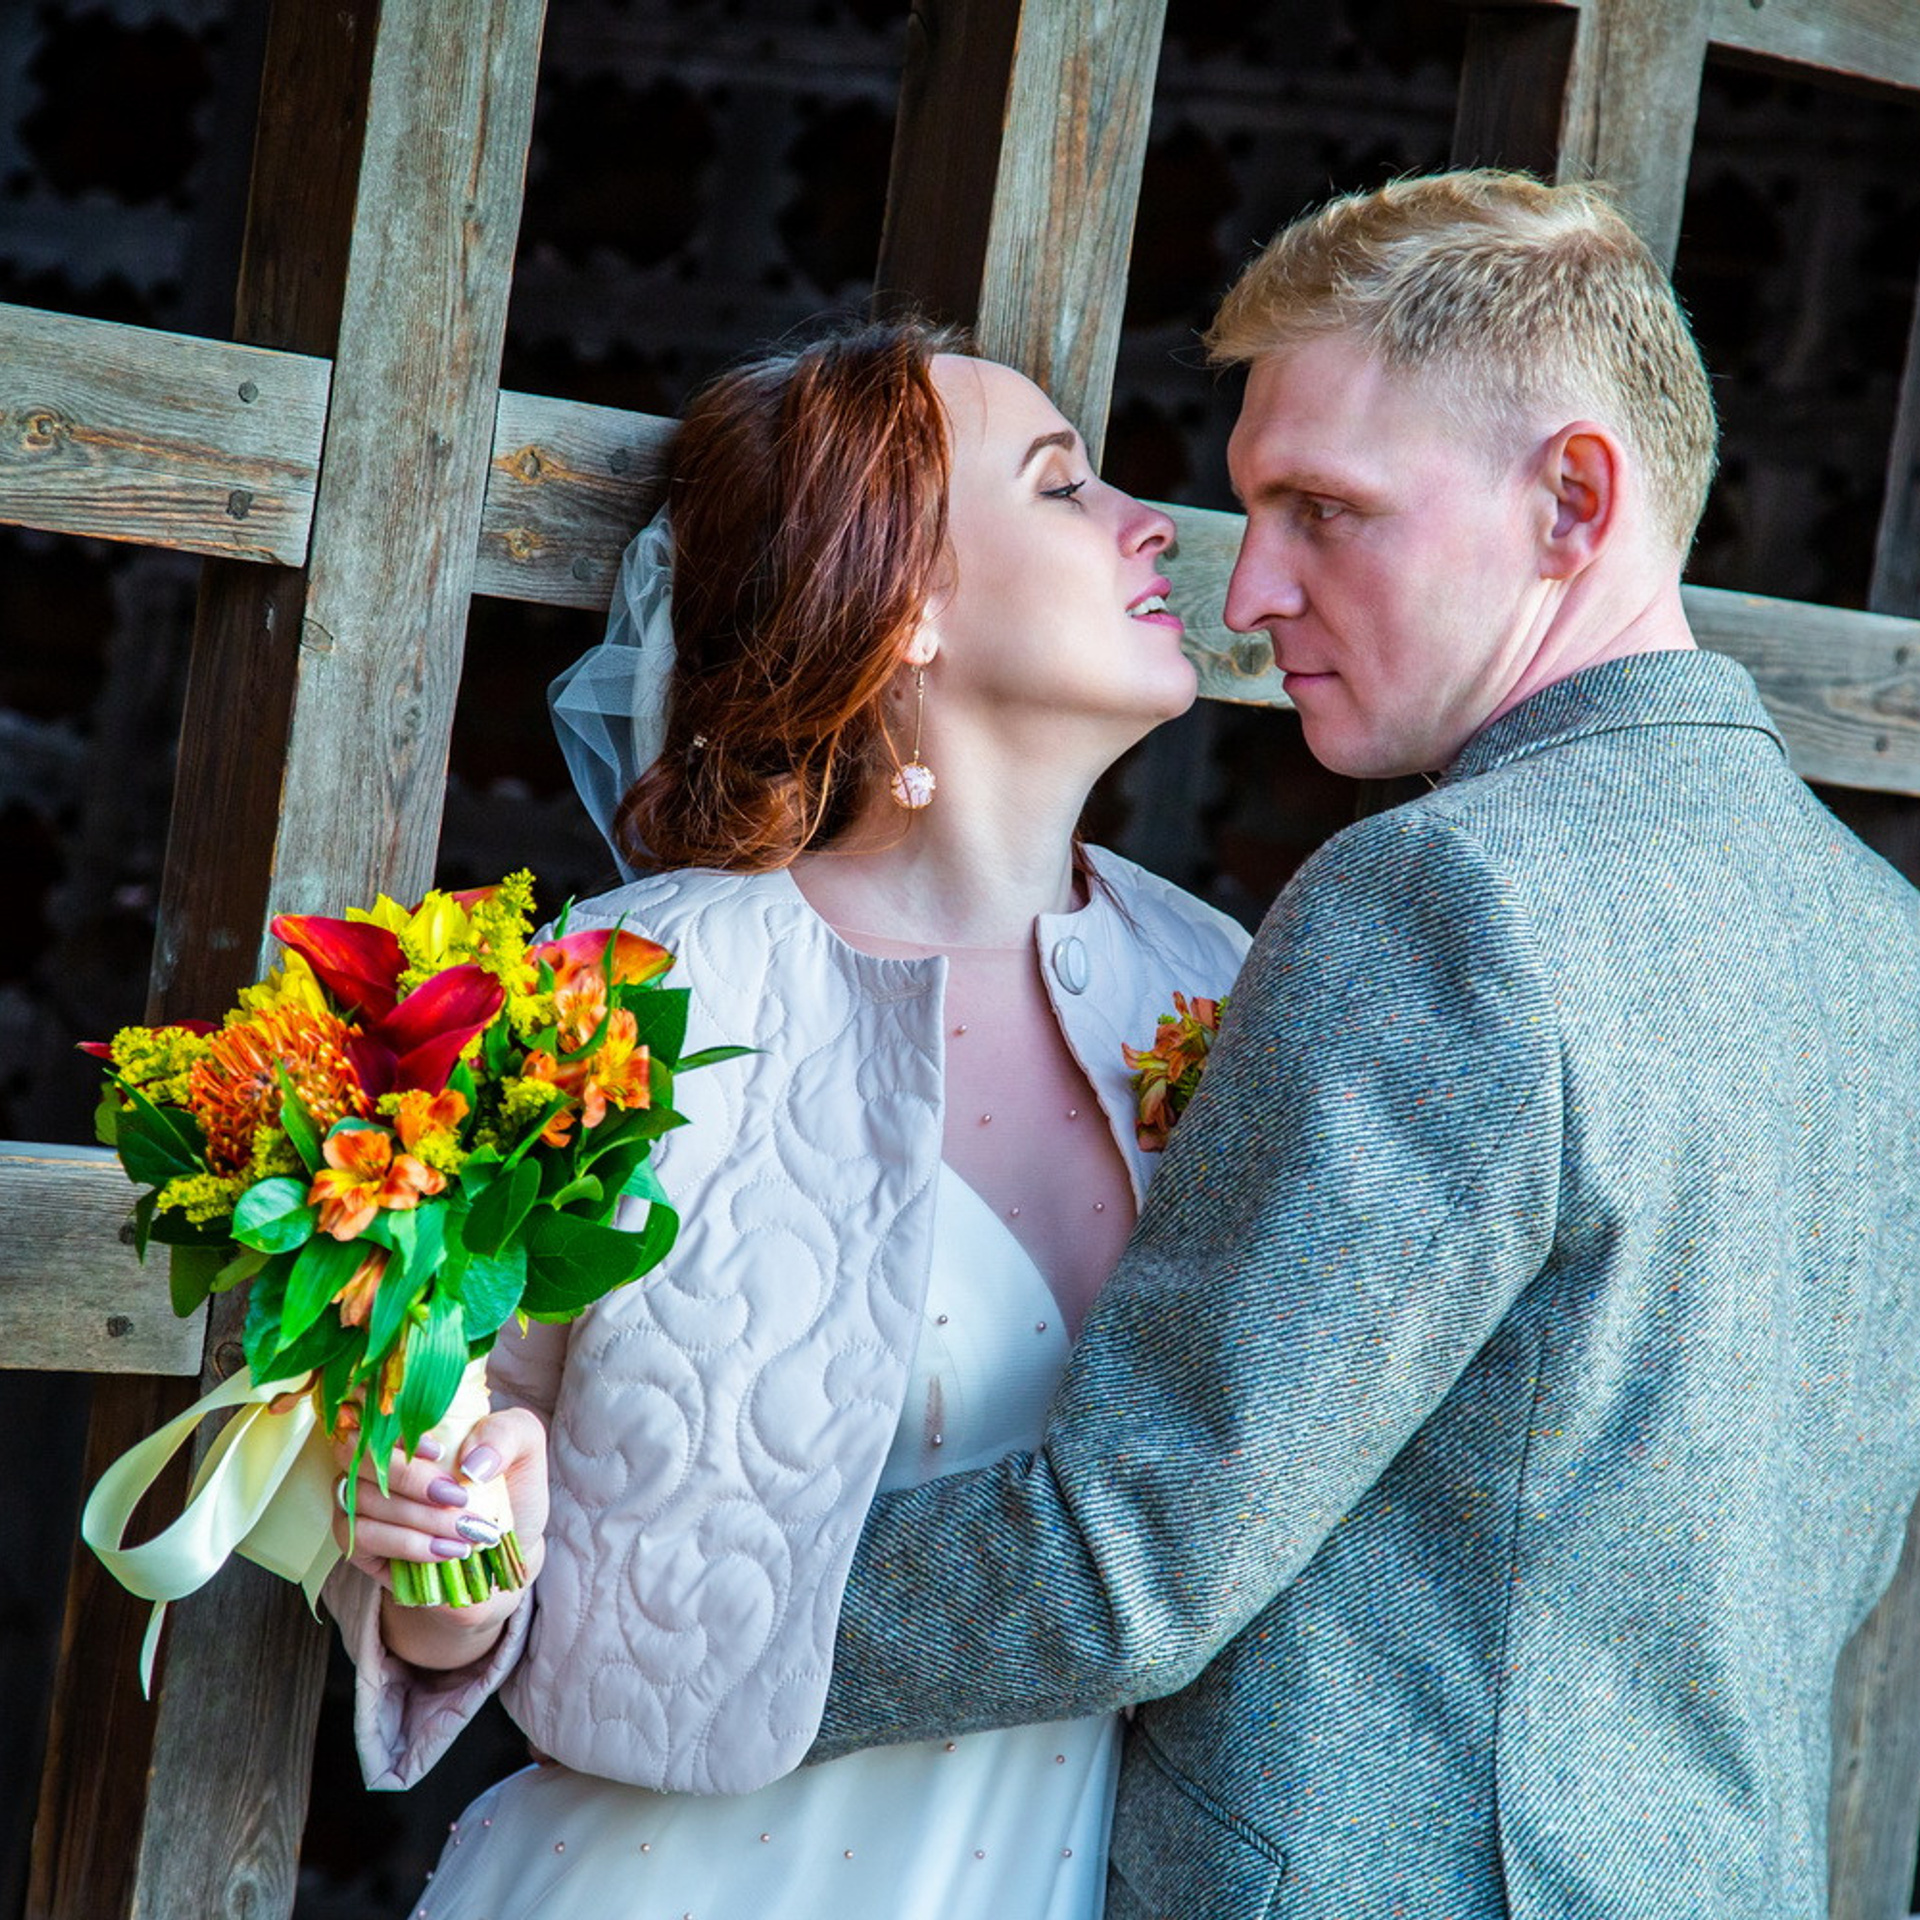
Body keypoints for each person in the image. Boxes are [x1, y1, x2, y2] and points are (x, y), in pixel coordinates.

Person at [802, 171, 1920, 1917]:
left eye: (1326, 510)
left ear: (1572, 499)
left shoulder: (1448, 897)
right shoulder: (1886, 941)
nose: (1252, 590)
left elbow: (1131, 1561)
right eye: (1254, 511)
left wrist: (665, 1605)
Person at [320, 317, 1251, 1919]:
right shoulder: (637, 988)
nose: (1147, 522)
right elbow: (445, 1516)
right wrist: (447, 1571)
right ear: (910, 611)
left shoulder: (1226, 983)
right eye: (1063, 487)